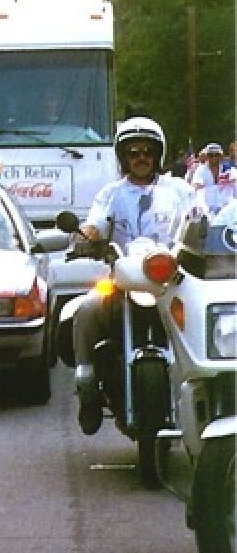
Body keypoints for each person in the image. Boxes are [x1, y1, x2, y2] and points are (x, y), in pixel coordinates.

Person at [69, 117, 202, 435]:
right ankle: (87, 387)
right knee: (85, 310)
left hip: (172, 282)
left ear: (157, 154)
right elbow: (95, 223)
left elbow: (200, 221)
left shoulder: (180, 190)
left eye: (146, 151)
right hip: (123, 279)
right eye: (133, 152)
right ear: (123, 156)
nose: (140, 157)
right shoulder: (111, 194)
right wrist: (85, 238)